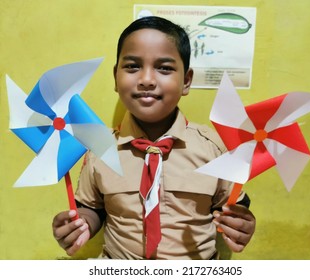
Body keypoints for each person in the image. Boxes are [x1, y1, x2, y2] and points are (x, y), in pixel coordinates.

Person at [52, 16, 256, 260]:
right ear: (116, 77)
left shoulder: (214, 148)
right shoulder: (99, 147)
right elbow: (92, 208)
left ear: (186, 81)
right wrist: (80, 224)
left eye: (165, 68)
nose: (147, 79)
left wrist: (242, 224)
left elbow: (234, 205)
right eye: (132, 66)